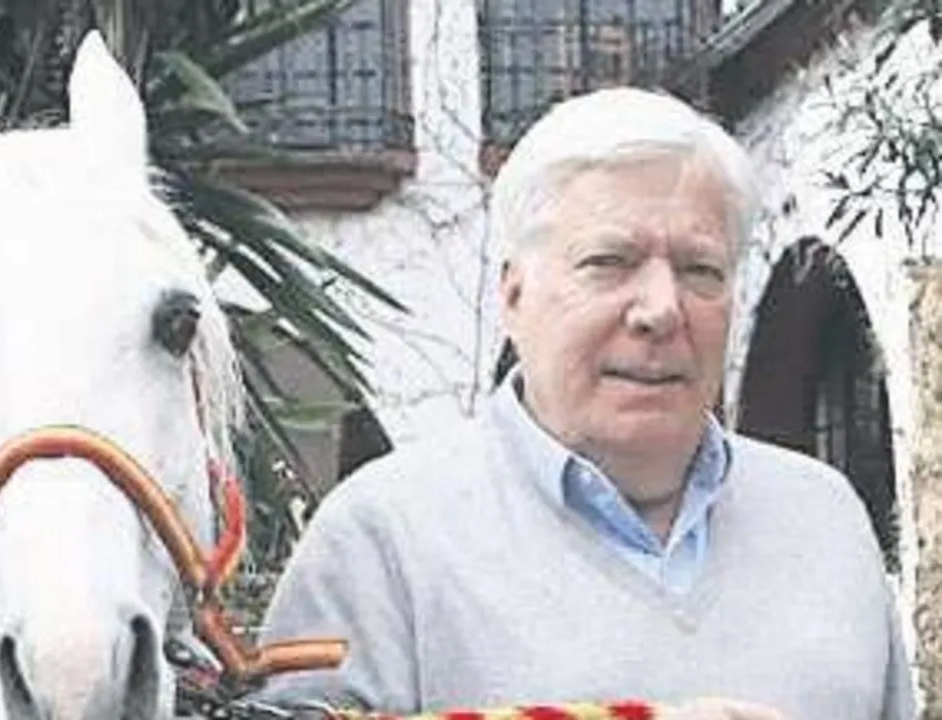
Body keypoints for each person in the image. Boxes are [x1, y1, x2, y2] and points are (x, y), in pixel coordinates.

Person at [253, 87, 915, 720]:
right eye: (609, 262)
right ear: (514, 295)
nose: (661, 309)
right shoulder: (378, 544)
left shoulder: (824, 519)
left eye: (699, 270)